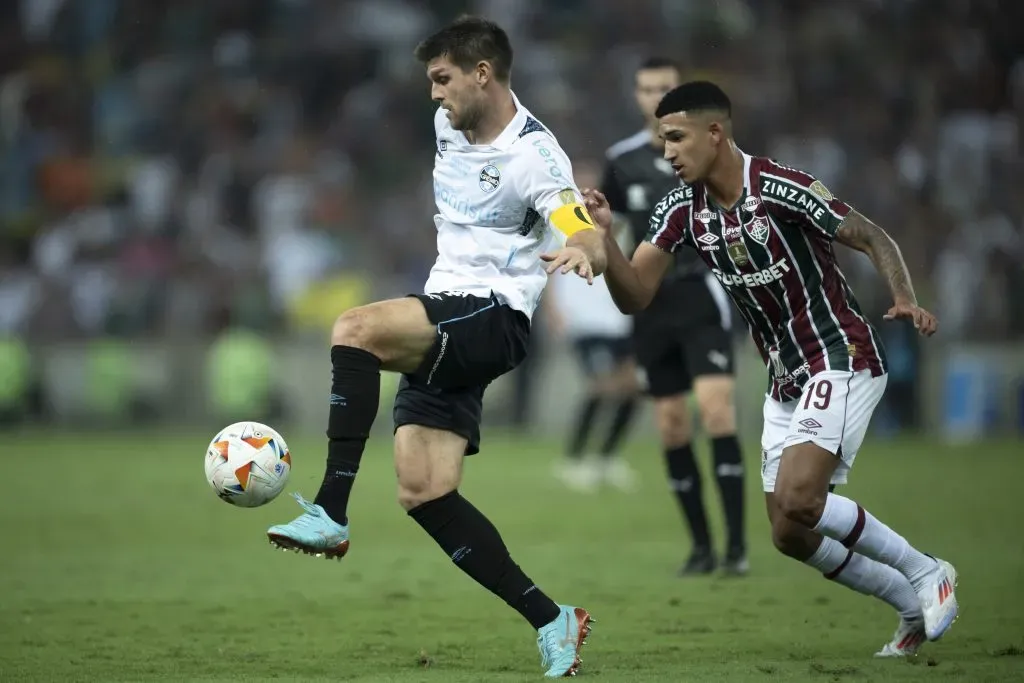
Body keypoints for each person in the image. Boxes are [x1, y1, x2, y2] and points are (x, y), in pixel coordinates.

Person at [265, 16, 602, 678]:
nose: (433, 95)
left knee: (354, 329)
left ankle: (330, 509)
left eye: (442, 79)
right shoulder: (451, 122)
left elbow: (574, 219)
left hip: (494, 316)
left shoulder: (535, 155)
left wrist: (587, 244)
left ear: (484, 74)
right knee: (425, 490)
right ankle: (551, 618)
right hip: (451, 311)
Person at [588, 80, 958, 658]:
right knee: (789, 533)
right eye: (663, 142)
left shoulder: (781, 188)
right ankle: (909, 606)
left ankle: (928, 570)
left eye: (677, 139)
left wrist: (904, 295)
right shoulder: (681, 207)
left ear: (716, 133)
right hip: (785, 378)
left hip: (840, 355)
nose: (668, 154)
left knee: (801, 498)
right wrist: (607, 241)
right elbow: (635, 294)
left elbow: (870, 235)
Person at [600, 58, 747, 575]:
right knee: (670, 423)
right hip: (651, 307)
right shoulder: (621, 160)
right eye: (646, 89)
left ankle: (737, 549)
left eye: (664, 88)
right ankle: (702, 547)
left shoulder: (708, 153)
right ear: (637, 96)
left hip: (698, 293)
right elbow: (610, 231)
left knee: (716, 410)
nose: (654, 96)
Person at [545, 198, 640, 492]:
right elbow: (548, 268)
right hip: (584, 322)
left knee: (634, 387)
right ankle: (572, 460)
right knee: (601, 386)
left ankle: (606, 458)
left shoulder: (618, 223)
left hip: (618, 320)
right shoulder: (561, 221)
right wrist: (553, 311)